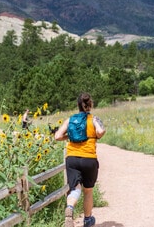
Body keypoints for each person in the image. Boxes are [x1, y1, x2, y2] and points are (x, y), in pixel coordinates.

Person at [54, 93, 106, 227]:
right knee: (88, 190)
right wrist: (92, 134)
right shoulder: (93, 119)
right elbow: (100, 132)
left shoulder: (70, 120)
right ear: (91, 105)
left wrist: (70, 136)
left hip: (72, 158)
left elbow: (57, 136)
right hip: (89, 158)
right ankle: (88, 220)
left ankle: (70, 208)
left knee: (75, 189)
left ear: (78, 105)